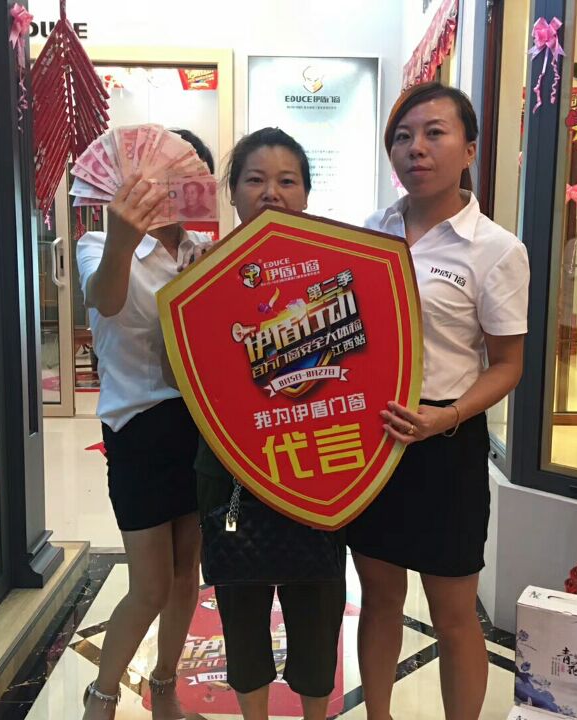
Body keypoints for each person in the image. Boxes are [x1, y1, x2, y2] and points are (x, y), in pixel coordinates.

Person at [348, 83, 530, 720]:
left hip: (447, 441)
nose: (415, 148)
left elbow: (507, 365)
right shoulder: (368, 232)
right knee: (379, 599)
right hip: (374, 439)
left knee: (454, 614)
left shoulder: (496, 250)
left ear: (469, 150)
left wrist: (446, 416)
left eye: (433, 133)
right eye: (402, 137)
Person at [193, 127, 346, 720]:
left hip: (317, 460)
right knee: (241, 608)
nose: (271, 192)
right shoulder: (205, 275)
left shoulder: (334, 271)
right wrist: (196, 299)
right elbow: (185, 373)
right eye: (255, 179)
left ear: (306, 193)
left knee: (318, 607)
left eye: (287, 180)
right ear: (233, 191)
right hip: (231, 468)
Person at [76, 129, 215, 720]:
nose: (172, 190)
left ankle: (164, 686)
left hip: (198, 425)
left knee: (187, 576)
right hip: (136, 429)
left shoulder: (204, 248)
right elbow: (104, 299)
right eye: (162, 177)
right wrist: (121, 240)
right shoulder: (98, 244)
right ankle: (103, 693)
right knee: (151, 584)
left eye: (188, 179)